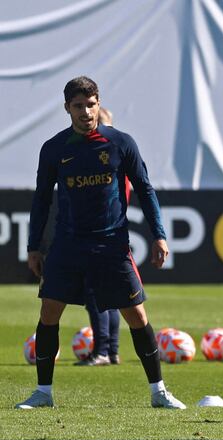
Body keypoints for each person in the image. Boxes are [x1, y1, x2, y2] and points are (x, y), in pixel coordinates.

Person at [16, 76, 184, 409]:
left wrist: (159, 234)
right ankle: (43, 393)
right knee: (49, 312)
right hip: (68, 244)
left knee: (137, 315)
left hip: (112, 245)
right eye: (78, 106)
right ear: (67, 109)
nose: (85, 111)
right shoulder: (54, 149)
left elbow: (146, 190)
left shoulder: (120, 143)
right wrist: (34, 246)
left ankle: (159, 391)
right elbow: (41, 200)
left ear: (98, 103)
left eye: (90, 104)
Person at [77, 106, 123, 366]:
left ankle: (102, 351)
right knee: (111, 296)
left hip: (100, 233)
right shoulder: (119, 154)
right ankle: (111, 350)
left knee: (95, 294)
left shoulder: (106, 155)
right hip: (115, 232)